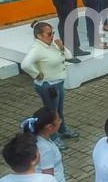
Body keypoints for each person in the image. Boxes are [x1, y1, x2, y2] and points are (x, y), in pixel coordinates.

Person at [20, 21, 79, 149]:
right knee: (52, 113)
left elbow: (69, 56)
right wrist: (36, 74)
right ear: (39, 36)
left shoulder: (52, 44)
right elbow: (25, 64)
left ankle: (62, 130)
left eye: (53, 33)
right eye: (49, 34)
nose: (52, 36)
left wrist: (62, 46)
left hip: (58, 83)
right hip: (49, 86)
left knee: (59, 111)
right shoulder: (37, 49)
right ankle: (53, 137)